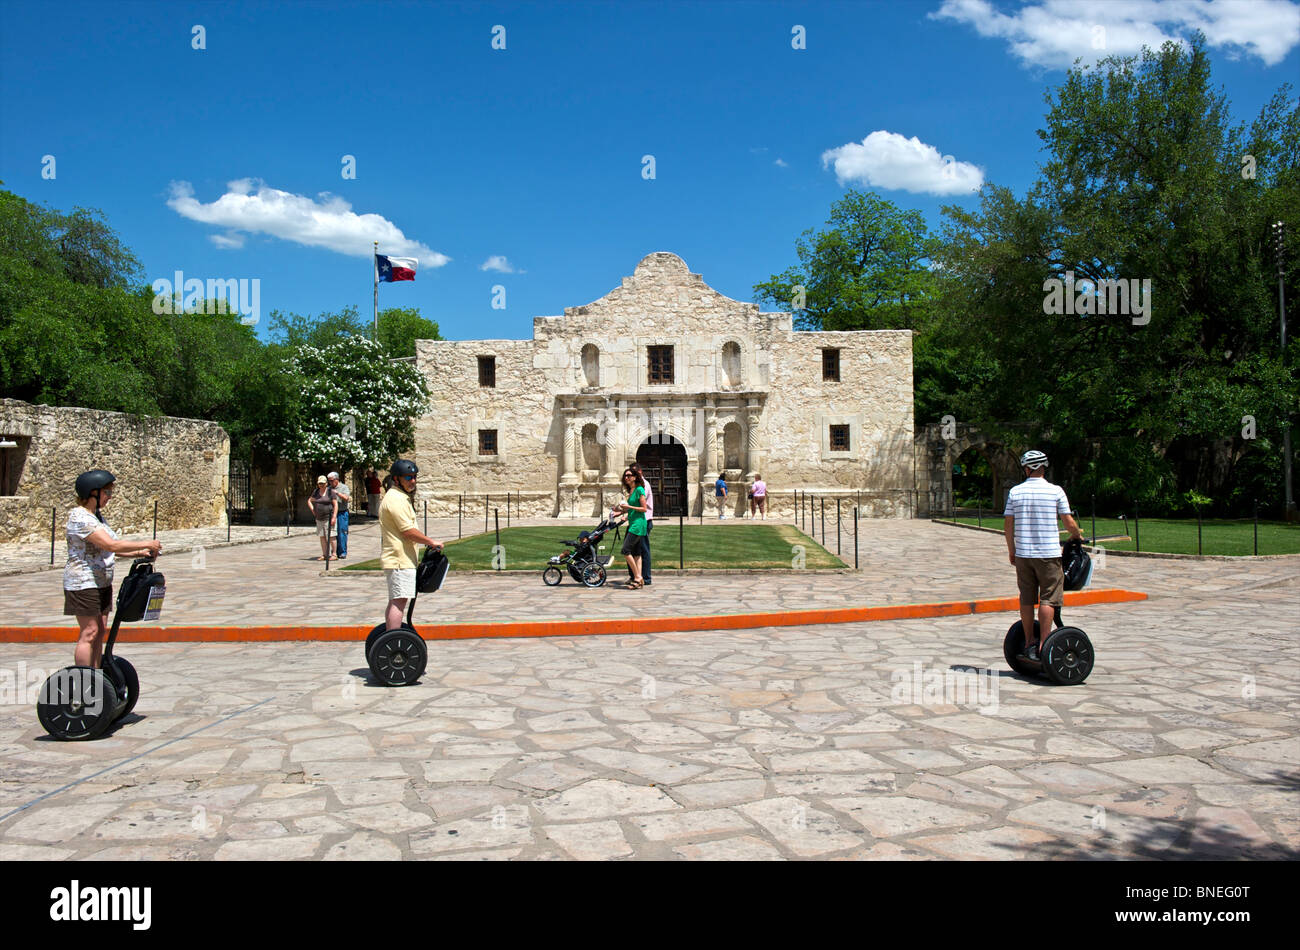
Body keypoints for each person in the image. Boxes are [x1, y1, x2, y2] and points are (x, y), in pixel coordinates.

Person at [64, 470, 162, 668]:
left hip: (101, 581)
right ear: (93, 492)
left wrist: (140, 553)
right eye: (107, 492)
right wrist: (146, 542)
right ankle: (85, 679)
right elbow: (111, 545)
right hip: (83, 582)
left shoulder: (97, 518)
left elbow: (111, 549)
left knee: (100, 631)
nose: (109, 497)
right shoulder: (80, 517)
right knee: (89, 632)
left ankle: (97, 676)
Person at [1004, 450, 1084, 660]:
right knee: (1048, 599)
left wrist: (1012, 551)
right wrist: (1077, 534)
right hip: (1048, 554)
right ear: (1043, 467)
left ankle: (1029, 640)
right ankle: (1044, 644)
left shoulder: (1015, 492)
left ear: (1027, 468)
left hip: (1023, 554)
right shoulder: (1056, 491)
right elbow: (1068, 522)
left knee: (1027, 599)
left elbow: (1008, 525)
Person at [379, 459, 443, 631]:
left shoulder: (399, 497)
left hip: (401, 558)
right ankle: (393, 642)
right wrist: (431, 542)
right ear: (396, 479)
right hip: (399, 559)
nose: (412, 481)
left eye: (414, 477)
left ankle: (390, 637)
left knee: (396, 600)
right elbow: (407, 531)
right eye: (408, 477)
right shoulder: (395, 500)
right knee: (399, 602)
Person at [614, 468, 647, 589]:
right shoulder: (631, 491)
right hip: (632, 523)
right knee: (636, 553)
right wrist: (619, 511)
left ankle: (637, 576)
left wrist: (629, 506)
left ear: (635, 477)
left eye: (629, 475)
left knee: (625, 550)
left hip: (638, 525)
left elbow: (644, 509)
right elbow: (631, 509)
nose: (626, 477)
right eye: (625, 476)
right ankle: (638, 580)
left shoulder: (639, 489)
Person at [630, 461, 653, 585]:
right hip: (637, 521)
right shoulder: (638, 486)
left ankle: (645, 577)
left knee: (643, 550)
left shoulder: (642, 486)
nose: (630, 477)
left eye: (633, 473)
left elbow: (641, 506)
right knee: (635, 550)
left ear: (640, 472)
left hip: (643, 521)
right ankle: (637, 576)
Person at [309, 475, 337, 561]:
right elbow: (309, 500)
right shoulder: (316, 492)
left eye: (322, 483)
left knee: (331, 536)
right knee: (322, 536)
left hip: (329, 517)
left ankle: (334, 554)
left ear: (326, 483)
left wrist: (334, 517)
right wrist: (313, 511)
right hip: (319, 518)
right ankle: (325, 554)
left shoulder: (330, 492)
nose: (321, 485)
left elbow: (335, 505)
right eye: (319, 483)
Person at [327, 471, 351, 559]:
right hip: (332, 513)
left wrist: (337, 493)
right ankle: (334, 552)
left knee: (342, 532)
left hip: (342, 512)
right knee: (333, 533)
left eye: (332, 480)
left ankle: (342, 552)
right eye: (329, 481)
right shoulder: (328, 488)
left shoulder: (343, 487)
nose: (330, 482)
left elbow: (346, 498)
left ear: (337, 479)